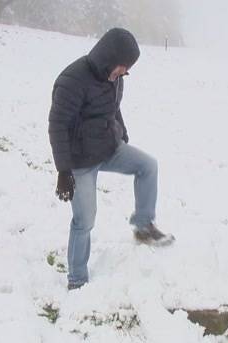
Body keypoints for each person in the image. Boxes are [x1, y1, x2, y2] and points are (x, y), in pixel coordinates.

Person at [48, 28, 173, 290]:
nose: (123, 74)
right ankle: (77, 279)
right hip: (80, 161)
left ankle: (143, 226)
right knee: (85, 220)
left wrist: (122, 132)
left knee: (147, 166)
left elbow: (113, 108)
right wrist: (63, 171)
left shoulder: (114, 77)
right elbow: (57, 125)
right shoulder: (72, 80)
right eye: (122, 68)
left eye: (126, 70)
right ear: (108, 57)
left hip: (108, 147)